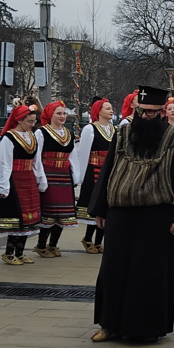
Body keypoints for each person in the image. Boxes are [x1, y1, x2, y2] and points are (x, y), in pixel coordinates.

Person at [88, 85, 174, 342]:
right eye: (142, 111)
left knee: (149, 273)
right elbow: (107, 172)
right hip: (120, 212)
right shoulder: (123, 133)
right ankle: (109, 325)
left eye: (152, 113)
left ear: (162, 112)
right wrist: (100, 209)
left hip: (157, 215)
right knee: (113, 269)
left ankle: (145, 329)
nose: (146, 117)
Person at [0, 104, 47, 264]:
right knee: (18, 216)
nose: (32, 125)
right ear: (19, 120)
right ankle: (9, 253)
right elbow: (5, 163)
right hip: (16, 179)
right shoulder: (8, 138)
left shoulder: (31, 136)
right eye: (29, 121)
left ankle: (20, 252)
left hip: (29, 178)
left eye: (34, 121)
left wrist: (40, 179)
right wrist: (3, 185)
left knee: (29, 217)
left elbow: (36, 161)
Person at [34, 101, 78, 257]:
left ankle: (53, 245)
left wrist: (75, 175)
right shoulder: (41, 132)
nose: (62, 116)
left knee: (63, 214)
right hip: (49, 174)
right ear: (50, 115)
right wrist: (40, 177)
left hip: (64, 175)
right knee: (49, 212)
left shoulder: (68, 133)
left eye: (64, 113)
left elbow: (73, 155)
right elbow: (36, 157)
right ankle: (41, 245)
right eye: (59, 113)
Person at [73, 98, 115, 253]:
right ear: (99, 111)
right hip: (94, 172)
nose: (111, 111)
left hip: (108, 172)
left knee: (106, 206)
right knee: (95, 205)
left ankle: (99, 241)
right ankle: (88, 239)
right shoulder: (90, 129)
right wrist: (81, 177)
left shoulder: (113, 129)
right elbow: (83, 154)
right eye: (107, 108)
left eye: (111, 108)